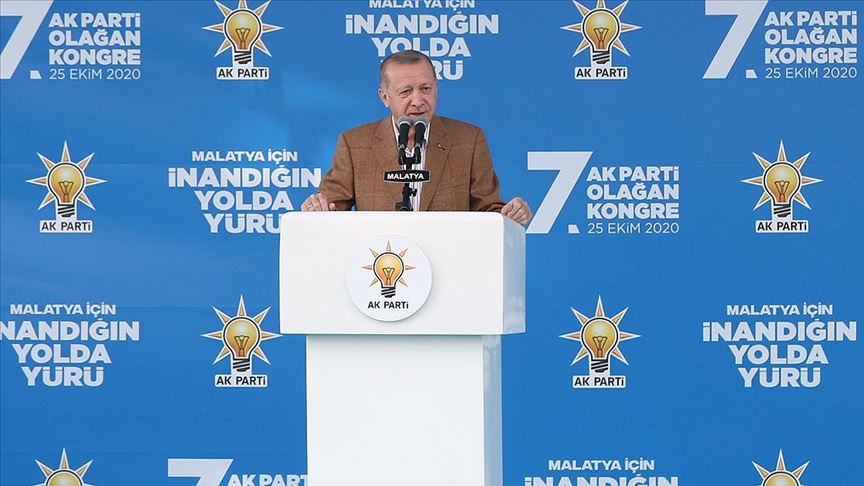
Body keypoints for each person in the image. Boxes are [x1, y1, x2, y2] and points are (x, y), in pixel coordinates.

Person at [302, 50, 532, 225]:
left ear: (436, 89)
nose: (418, 100)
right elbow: (331, 210)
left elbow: (489, 212)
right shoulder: (354, 144)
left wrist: (510, 214)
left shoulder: (469, 140)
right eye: (405, 92)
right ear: (385, 97)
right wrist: (317, 208)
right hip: (380, 263)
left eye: (425, 89)